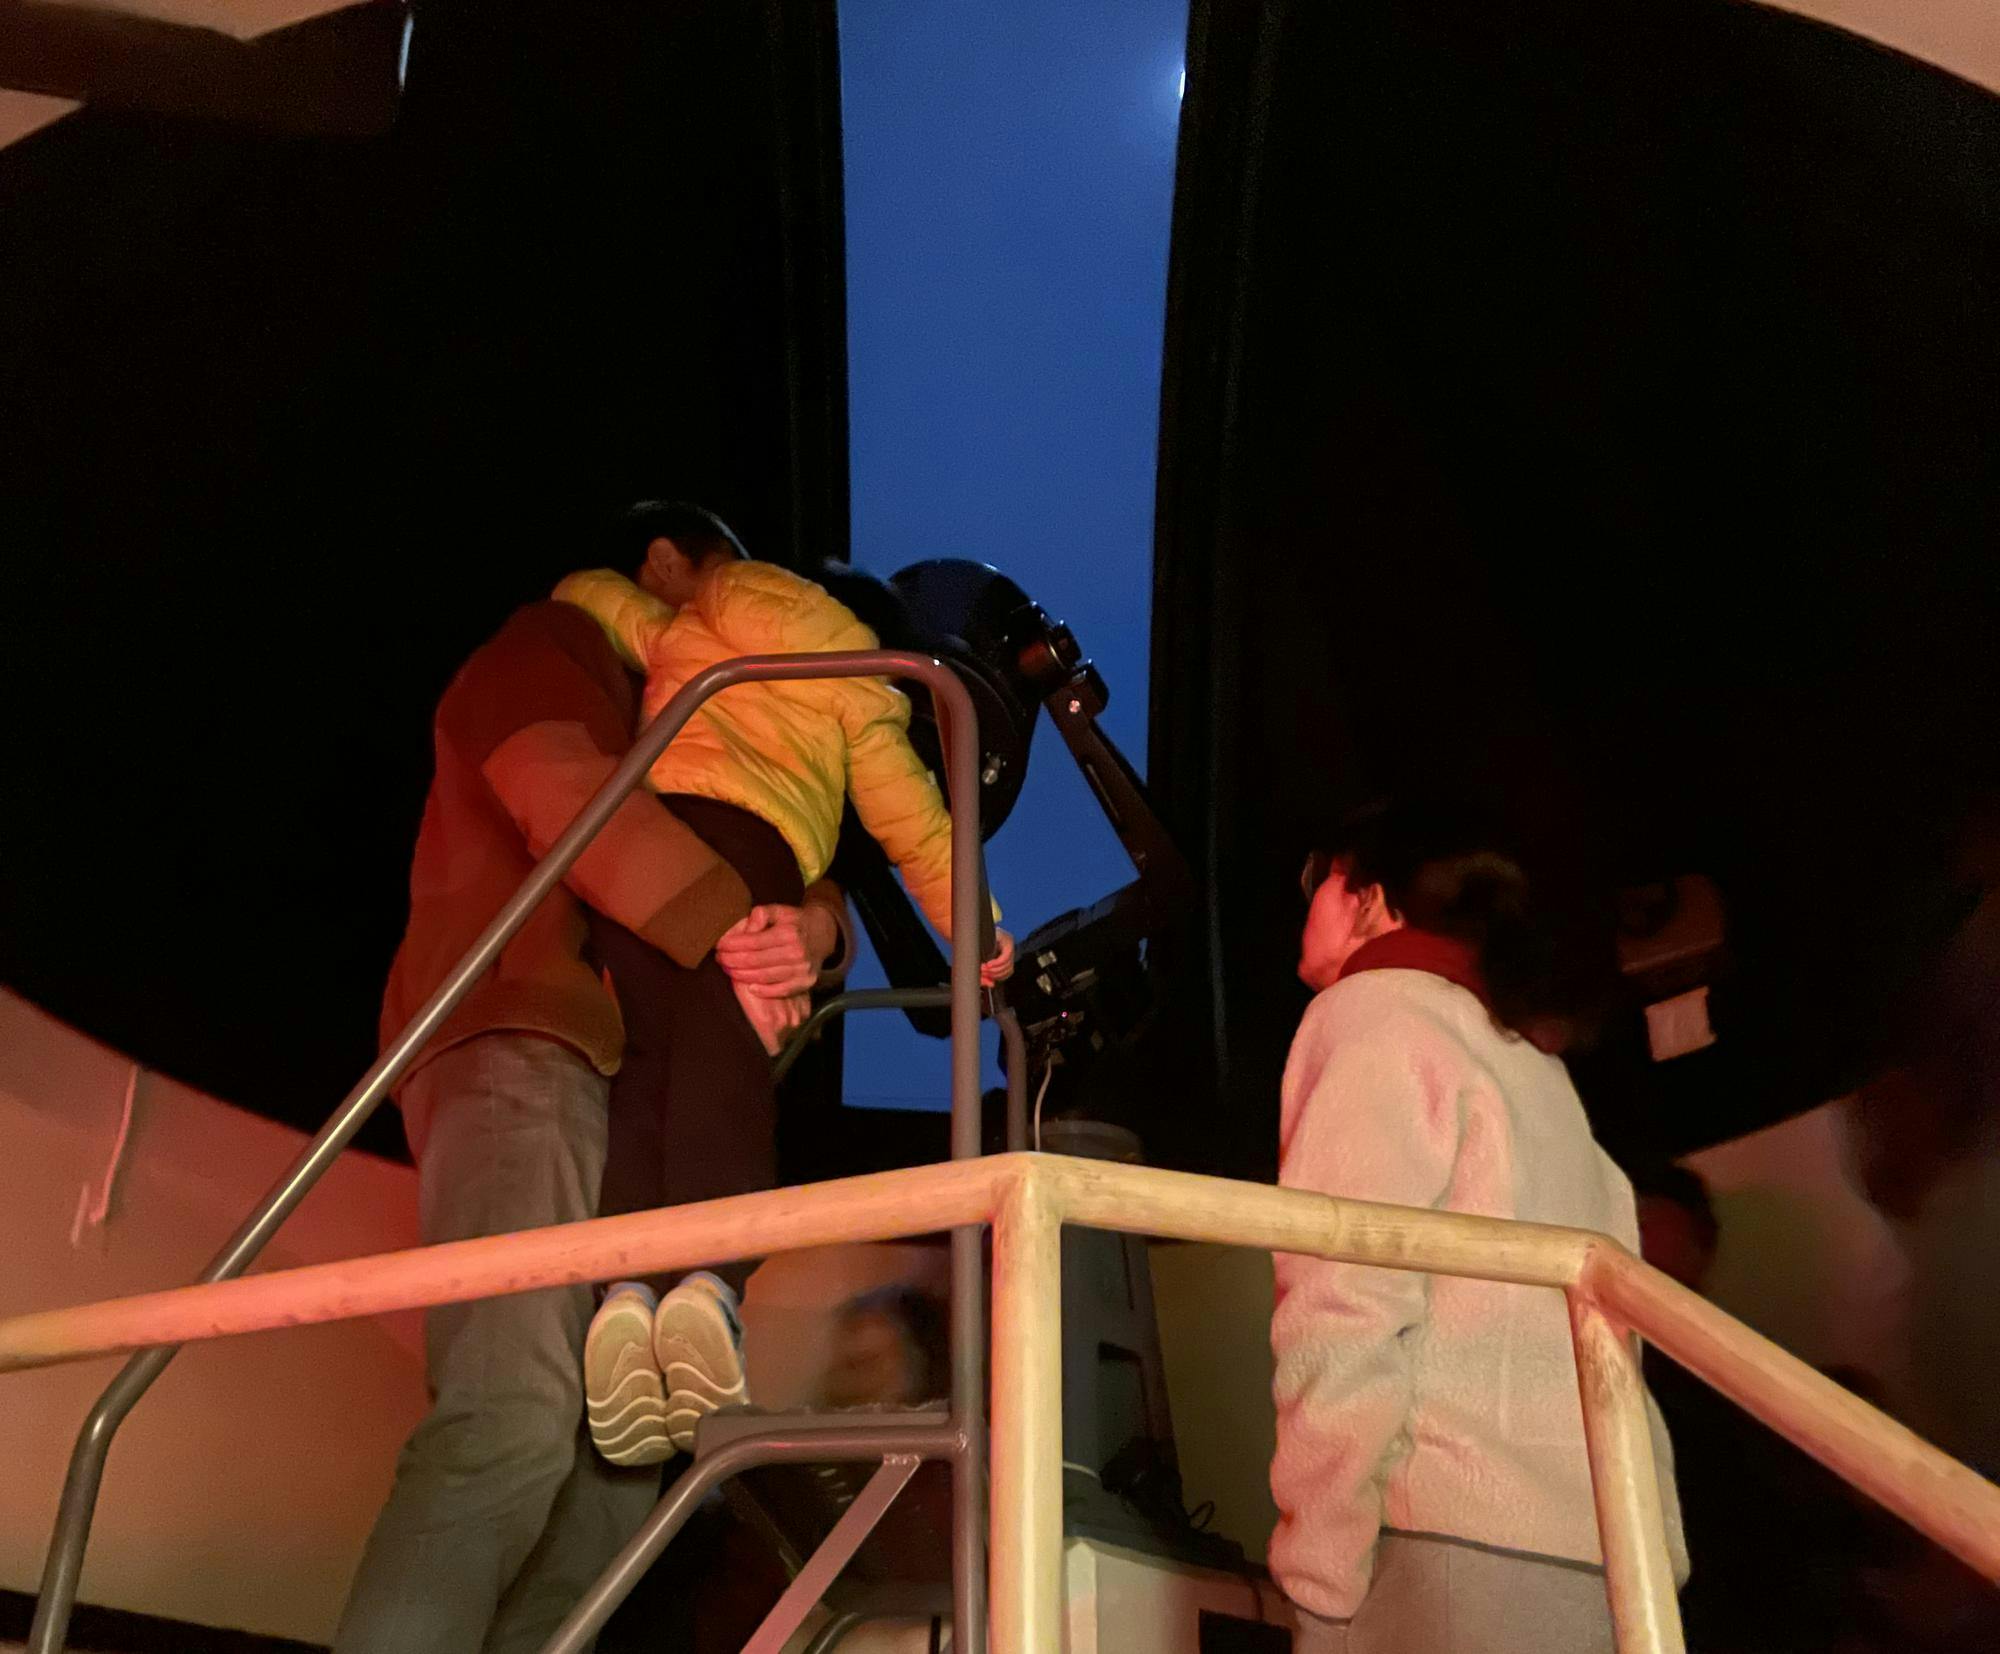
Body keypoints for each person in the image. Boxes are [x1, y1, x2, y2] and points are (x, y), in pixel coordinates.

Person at [334, 579, 849, 1654]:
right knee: (509, 1421)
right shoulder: (557, 642)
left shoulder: (698, 730)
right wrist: (732, 932)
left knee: (616, 1479)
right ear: (664, 572)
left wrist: (811, 923)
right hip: (523, 1030)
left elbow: (784, 856)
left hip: (611, 1074)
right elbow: (552, 781)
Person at [556, 503, 1013, 1467]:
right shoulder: (863, 682)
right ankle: (709, 1286)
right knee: (728, 1058)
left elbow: (598, 602)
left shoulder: (690, 623)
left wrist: (580, 593)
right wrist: (982, 937)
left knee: (640, 1069)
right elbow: (918, 829)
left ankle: (623, 1295)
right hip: (753, 848)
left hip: (646, 847)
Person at [1269, 801, 1686, 1654]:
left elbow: (1343, 1295)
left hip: (1455, 1540)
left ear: (1369, 899)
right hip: (1613, 1551)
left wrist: (1319, 1564)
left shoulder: (1373, 1012)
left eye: (1316, 883)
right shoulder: (1534, 1065)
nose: (1301, 906)